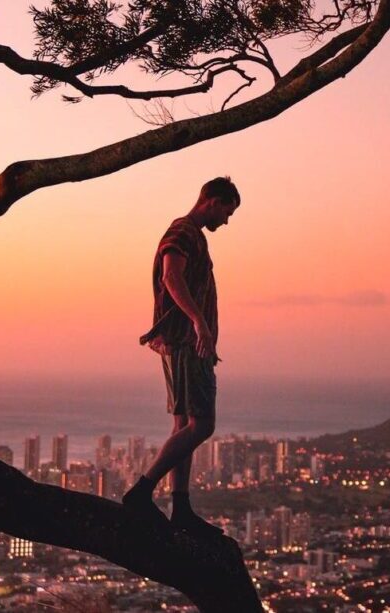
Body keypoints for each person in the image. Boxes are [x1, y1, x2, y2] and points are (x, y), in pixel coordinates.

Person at [122, 177, 240, 536]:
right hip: (188, 343)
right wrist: (199, 322)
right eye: (227, 211)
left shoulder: (191, 234)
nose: (226, 221)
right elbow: (172, 276)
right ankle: (142, 491)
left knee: (183, 426)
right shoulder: (184, 231)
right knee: (203, 425)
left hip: (182, 342)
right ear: (211, 201)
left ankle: (181, 509)